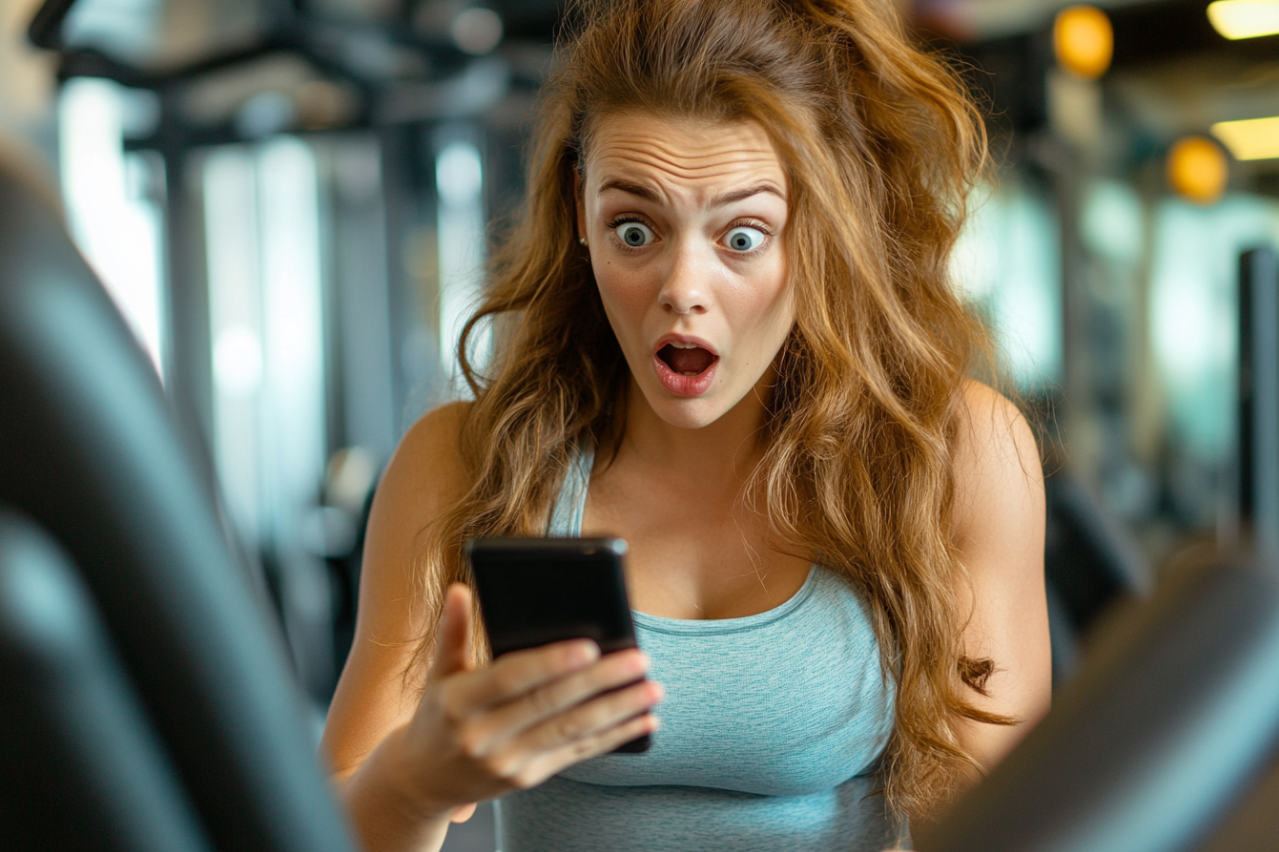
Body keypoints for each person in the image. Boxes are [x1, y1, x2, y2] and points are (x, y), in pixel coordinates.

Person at [320, 0, 1051, 849]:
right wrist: (418, 778)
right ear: (580, 214)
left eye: (741, 237)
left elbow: (1004, 827)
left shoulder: (952, 455)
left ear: (819, 229)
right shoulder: (463, 462)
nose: (680, 286)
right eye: (634, 229)